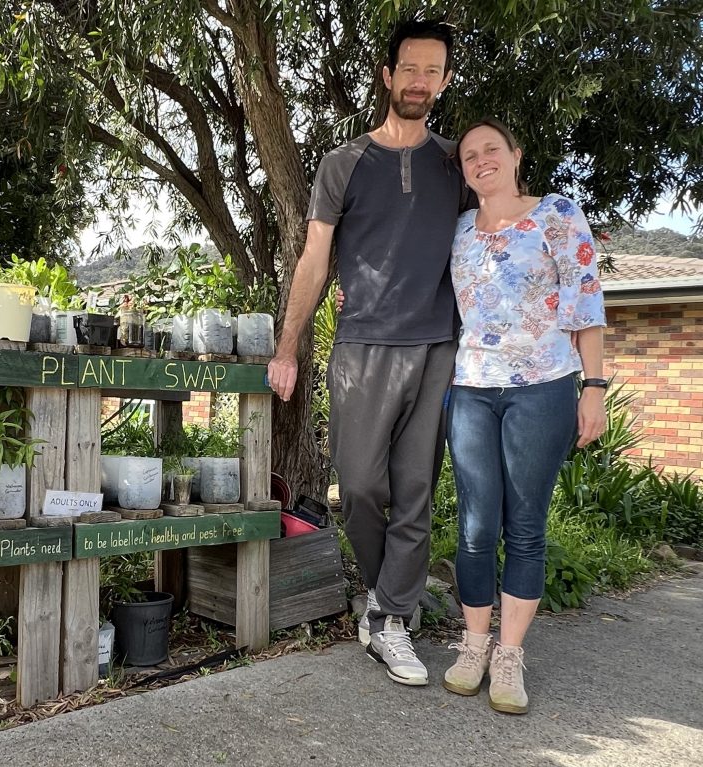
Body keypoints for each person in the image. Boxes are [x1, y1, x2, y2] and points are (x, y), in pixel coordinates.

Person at [268, 19, 468, 686]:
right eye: (408, 67)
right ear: (387, 76)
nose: (418, 80)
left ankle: (389, 616)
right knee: (358, 486)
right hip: (362, 346)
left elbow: (488, 244)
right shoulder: (344, 162)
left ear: (443, 81)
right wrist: (288, 345)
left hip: (437, 345)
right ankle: (388, 601)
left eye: (431, 70)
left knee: (416, 491)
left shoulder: (455, 164)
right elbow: (315, 257)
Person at [440, 117, 606, 714]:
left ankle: (509, 655)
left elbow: (586, 302)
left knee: (526, 525)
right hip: (473, 389)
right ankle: (474, 644)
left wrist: (595, 387)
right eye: (469, 156)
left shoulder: (557, 214)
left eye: (491, 150)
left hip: (544, 386)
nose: (481, 160)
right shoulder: (458, 229)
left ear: (515, 154)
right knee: (476, 525)